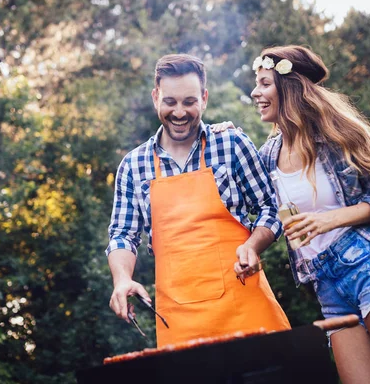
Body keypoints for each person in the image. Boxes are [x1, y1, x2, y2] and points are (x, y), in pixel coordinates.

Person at [213, 45, 370, 383]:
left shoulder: (336, 138)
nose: (255, 92)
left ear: (288, 88)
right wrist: (224, 140)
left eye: (264, 83)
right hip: (328, 288)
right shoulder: (267, 155)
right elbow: (261, 212)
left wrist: (331, 219)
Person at [105, 53, 291, 348]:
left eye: (189, 102)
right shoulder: (133, 165)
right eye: (170, 101)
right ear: (156, 98)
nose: (179, 112)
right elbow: (122, 236)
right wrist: (122, 279)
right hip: (179, 320)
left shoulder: (231, 145)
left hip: (244, 304)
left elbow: (272, 207)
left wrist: (253, 246)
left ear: (204, 99)